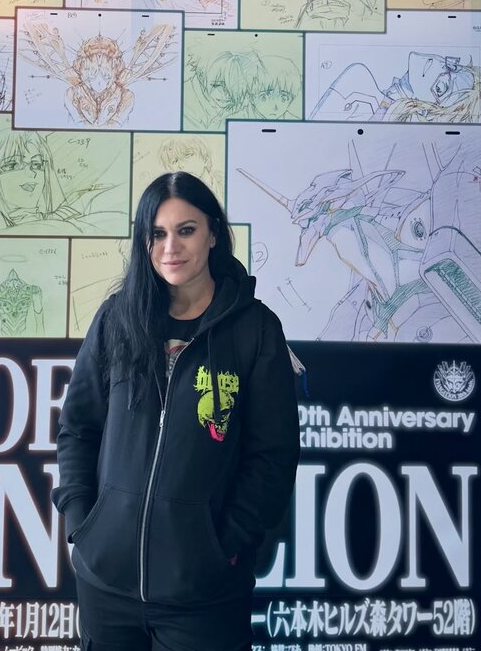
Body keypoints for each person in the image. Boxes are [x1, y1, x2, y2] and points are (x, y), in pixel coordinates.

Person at [53, 172, 300, 650]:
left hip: (203, 593)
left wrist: (223, 546)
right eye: (158, 233)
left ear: (213, 233)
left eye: (186, 230)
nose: (171, 247)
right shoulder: (117, 318)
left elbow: (273, 456)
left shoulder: (255, 329)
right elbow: (78, 429)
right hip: (106, 583)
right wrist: (83, 523)